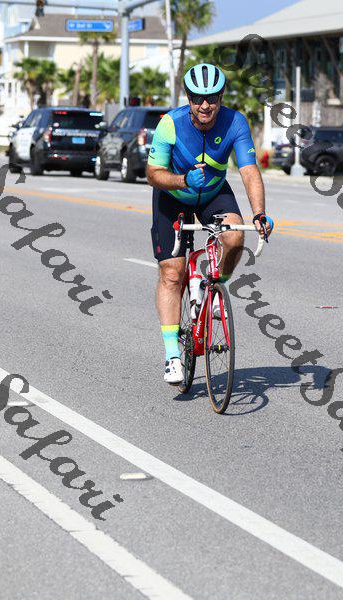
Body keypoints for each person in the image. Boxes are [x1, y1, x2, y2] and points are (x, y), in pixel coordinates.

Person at [146, 63, 273, 385]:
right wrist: (182, 180)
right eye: (197, 98)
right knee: (172, 272)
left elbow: (248, 170)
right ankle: (172, 355)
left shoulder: (235, 122)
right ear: (188, 97)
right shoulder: (169, 125)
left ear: (221, 97)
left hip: (213, 193)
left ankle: (216, 288)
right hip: (173, 194)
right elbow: (153, 174)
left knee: (234, 237)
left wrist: (259, 213)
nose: (205, 105)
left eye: (212, 98)